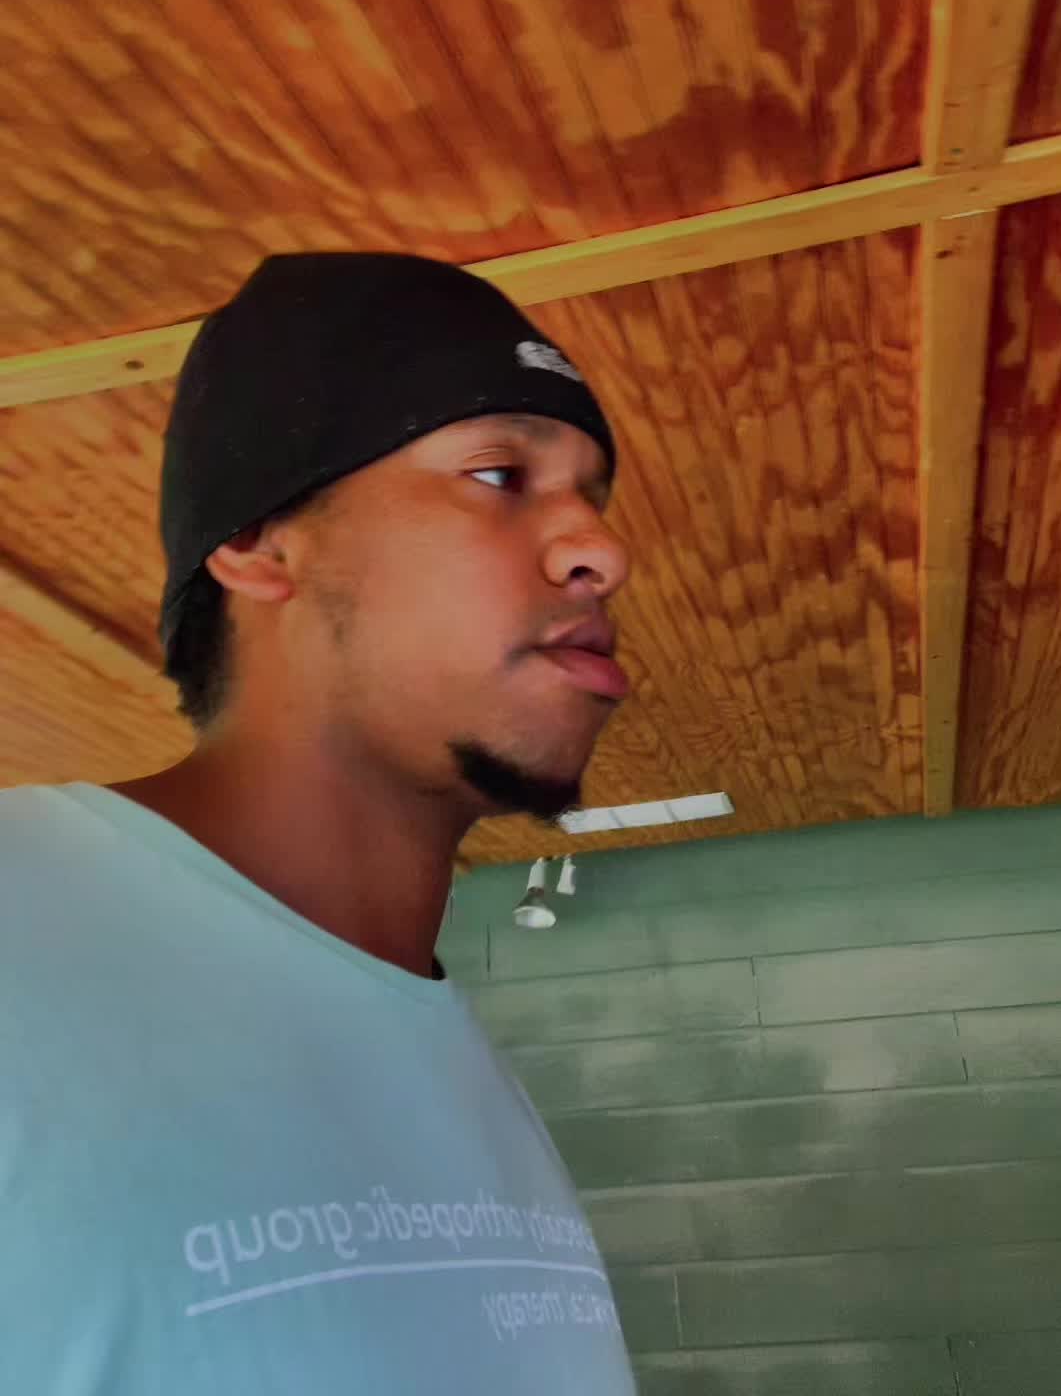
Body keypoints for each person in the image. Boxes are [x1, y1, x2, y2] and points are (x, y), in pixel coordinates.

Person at [0, 253, 640, 1392]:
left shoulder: (463, 1071)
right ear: (260, 542)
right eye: (499, 474)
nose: (602, 549)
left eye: (592, 495)